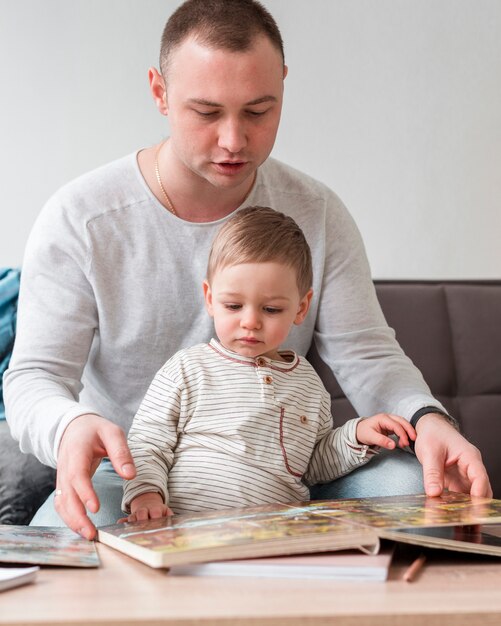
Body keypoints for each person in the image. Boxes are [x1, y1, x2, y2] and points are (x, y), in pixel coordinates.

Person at [3, 0, 490, 541]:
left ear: (283, 84)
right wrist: (71, 425)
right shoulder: (82, 219)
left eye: (258, 111)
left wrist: (429, 420)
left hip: (282, 478)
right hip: (134, 478)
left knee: (414, 491)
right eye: (207, 112)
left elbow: (369, 356)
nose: (234, 141)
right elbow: (33, 379)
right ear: (160, 92)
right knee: (75, 532)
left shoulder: (317, 212)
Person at [122, 206, 416, 521]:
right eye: (233, 305)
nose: (250, 322)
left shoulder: (307, 382)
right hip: (186, 527)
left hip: (276, 534)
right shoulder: (187, 369)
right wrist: (147, 496)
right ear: (210, 298)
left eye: (272, 309)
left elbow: (313, 464)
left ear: (301, 308)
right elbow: (147, 443)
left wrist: (355, 436)